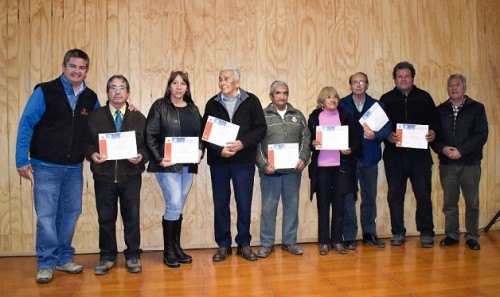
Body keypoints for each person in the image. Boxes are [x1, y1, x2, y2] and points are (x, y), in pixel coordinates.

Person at [15, 49, 100, 283]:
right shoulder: (44, 91)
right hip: (45, 166)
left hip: (74, 168)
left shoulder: (90, 97)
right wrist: (22, 159)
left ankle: (63, 258)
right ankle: (45, 262)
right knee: (46, 217)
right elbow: (26, 125)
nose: (77, 71)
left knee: (71, 213)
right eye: (73, 66)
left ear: (86, 71)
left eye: (82, 68)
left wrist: (126, 110)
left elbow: (100, 124)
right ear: (64, 66)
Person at [84, 75, 148, 275]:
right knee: (105, 218)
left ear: (128, 92)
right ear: (108, 92)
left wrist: (141, 157)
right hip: (103, 177)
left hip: (130, 177)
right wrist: (92, 154)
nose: (117, 91)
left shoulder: (138, 117)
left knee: (132, 217)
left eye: (122, 88)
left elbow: (147, 145)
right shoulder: (95, 116)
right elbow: (86, 143)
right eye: (113, 87)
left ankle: (133, 254)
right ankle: (107, 256)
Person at [201, 66, 266, 262]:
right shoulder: (212, 103)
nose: (222, 82)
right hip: (219, 162)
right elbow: (204, 134)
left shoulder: (251, 101)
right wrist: (218, 150)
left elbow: (260, 129)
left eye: (227, 78)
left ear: (237, 82)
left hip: (243, 161)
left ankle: (244, 244)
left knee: (244, 203)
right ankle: (223, 245)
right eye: (220, 78)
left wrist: (242, 143)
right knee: (221, 203)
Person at [145, 71, 203, 268]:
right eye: (175, 83)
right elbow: (149, 135)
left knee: (178, 206)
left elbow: (201, 135)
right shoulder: (160, 106)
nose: (179, 87)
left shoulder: (194, 109)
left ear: (187, 87)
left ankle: (176, 247)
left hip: (188, 165)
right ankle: (168, 251)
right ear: (169, 86)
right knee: (174, 203)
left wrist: (200, 151)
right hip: (167, 166)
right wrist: (159, 159)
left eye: (183, 83)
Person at [380, 61, 440, 248]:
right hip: (394, 156)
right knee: (395, 196)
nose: (403, 79)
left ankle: (426, 233)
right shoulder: (386, 99)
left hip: (420, 157)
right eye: (400, 76)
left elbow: (436, 122)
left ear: (413, 78)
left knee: (423, 195)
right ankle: (398, 232)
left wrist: (433, 133)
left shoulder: (425, 97)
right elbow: (380, 126)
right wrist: (386, 136)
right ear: (395, 79)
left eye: (407, 76)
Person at [432, 74, 488, 250]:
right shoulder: (440, 109)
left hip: (470, 163)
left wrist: (461, 151)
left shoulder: (477, 108)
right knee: (449, 203)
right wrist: (443, 149)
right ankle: (452, 235)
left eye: (457, 85)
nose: (454, 88)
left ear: (465, 88)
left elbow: (481, 135)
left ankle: (472, 236)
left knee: (472, 203)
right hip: (447, 164)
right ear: (447, 88)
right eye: (450, 85)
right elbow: (434, 136)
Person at [255, 81, 311, 258]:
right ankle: (266, 243)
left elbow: (306, 139)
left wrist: (303, 158)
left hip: (293, 172)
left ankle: (289, 242)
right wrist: (264, 165)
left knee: (292, 207)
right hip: (270, 172)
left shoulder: (298, 115)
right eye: (278, 93)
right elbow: (255, 143)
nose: (282, 96)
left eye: (285, 93)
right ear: (271, 96)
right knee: (268, 208)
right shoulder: (261, 116)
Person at [339, 72, 392, 250]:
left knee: (369, 197)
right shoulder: (342, 104)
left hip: (369, 158)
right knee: (348, 198)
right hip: (349, 158)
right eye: (355, 82)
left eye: (362, 82)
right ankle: (349, 236)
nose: (359, 85)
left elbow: (387, 127)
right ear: (350, 85)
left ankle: (369, 233)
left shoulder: (377, 105)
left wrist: (376, 135)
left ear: (367, 85)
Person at [308, 86, 362, 255]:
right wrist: (313, 143)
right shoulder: (315, 117)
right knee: (323, 205)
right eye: (328, 97)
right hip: (322, 167)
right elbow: (308, 138)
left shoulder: (345, 115)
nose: (332, 99)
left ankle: (337, 240)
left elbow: (356, 138)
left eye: (335, 97)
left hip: (341, 167)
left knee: (339, 206)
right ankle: (324, 242)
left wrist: (350, 149)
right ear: (322, 101)